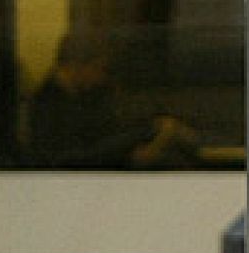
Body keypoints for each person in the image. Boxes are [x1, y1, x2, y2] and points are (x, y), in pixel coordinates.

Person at [24, 33, 199, 168]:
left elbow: (109, 130)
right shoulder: (46, 102)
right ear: (76, 65)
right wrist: (134, 147)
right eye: (99, 69)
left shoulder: (86, 96)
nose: (101, 77)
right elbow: (69, 157)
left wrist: (155, 126)